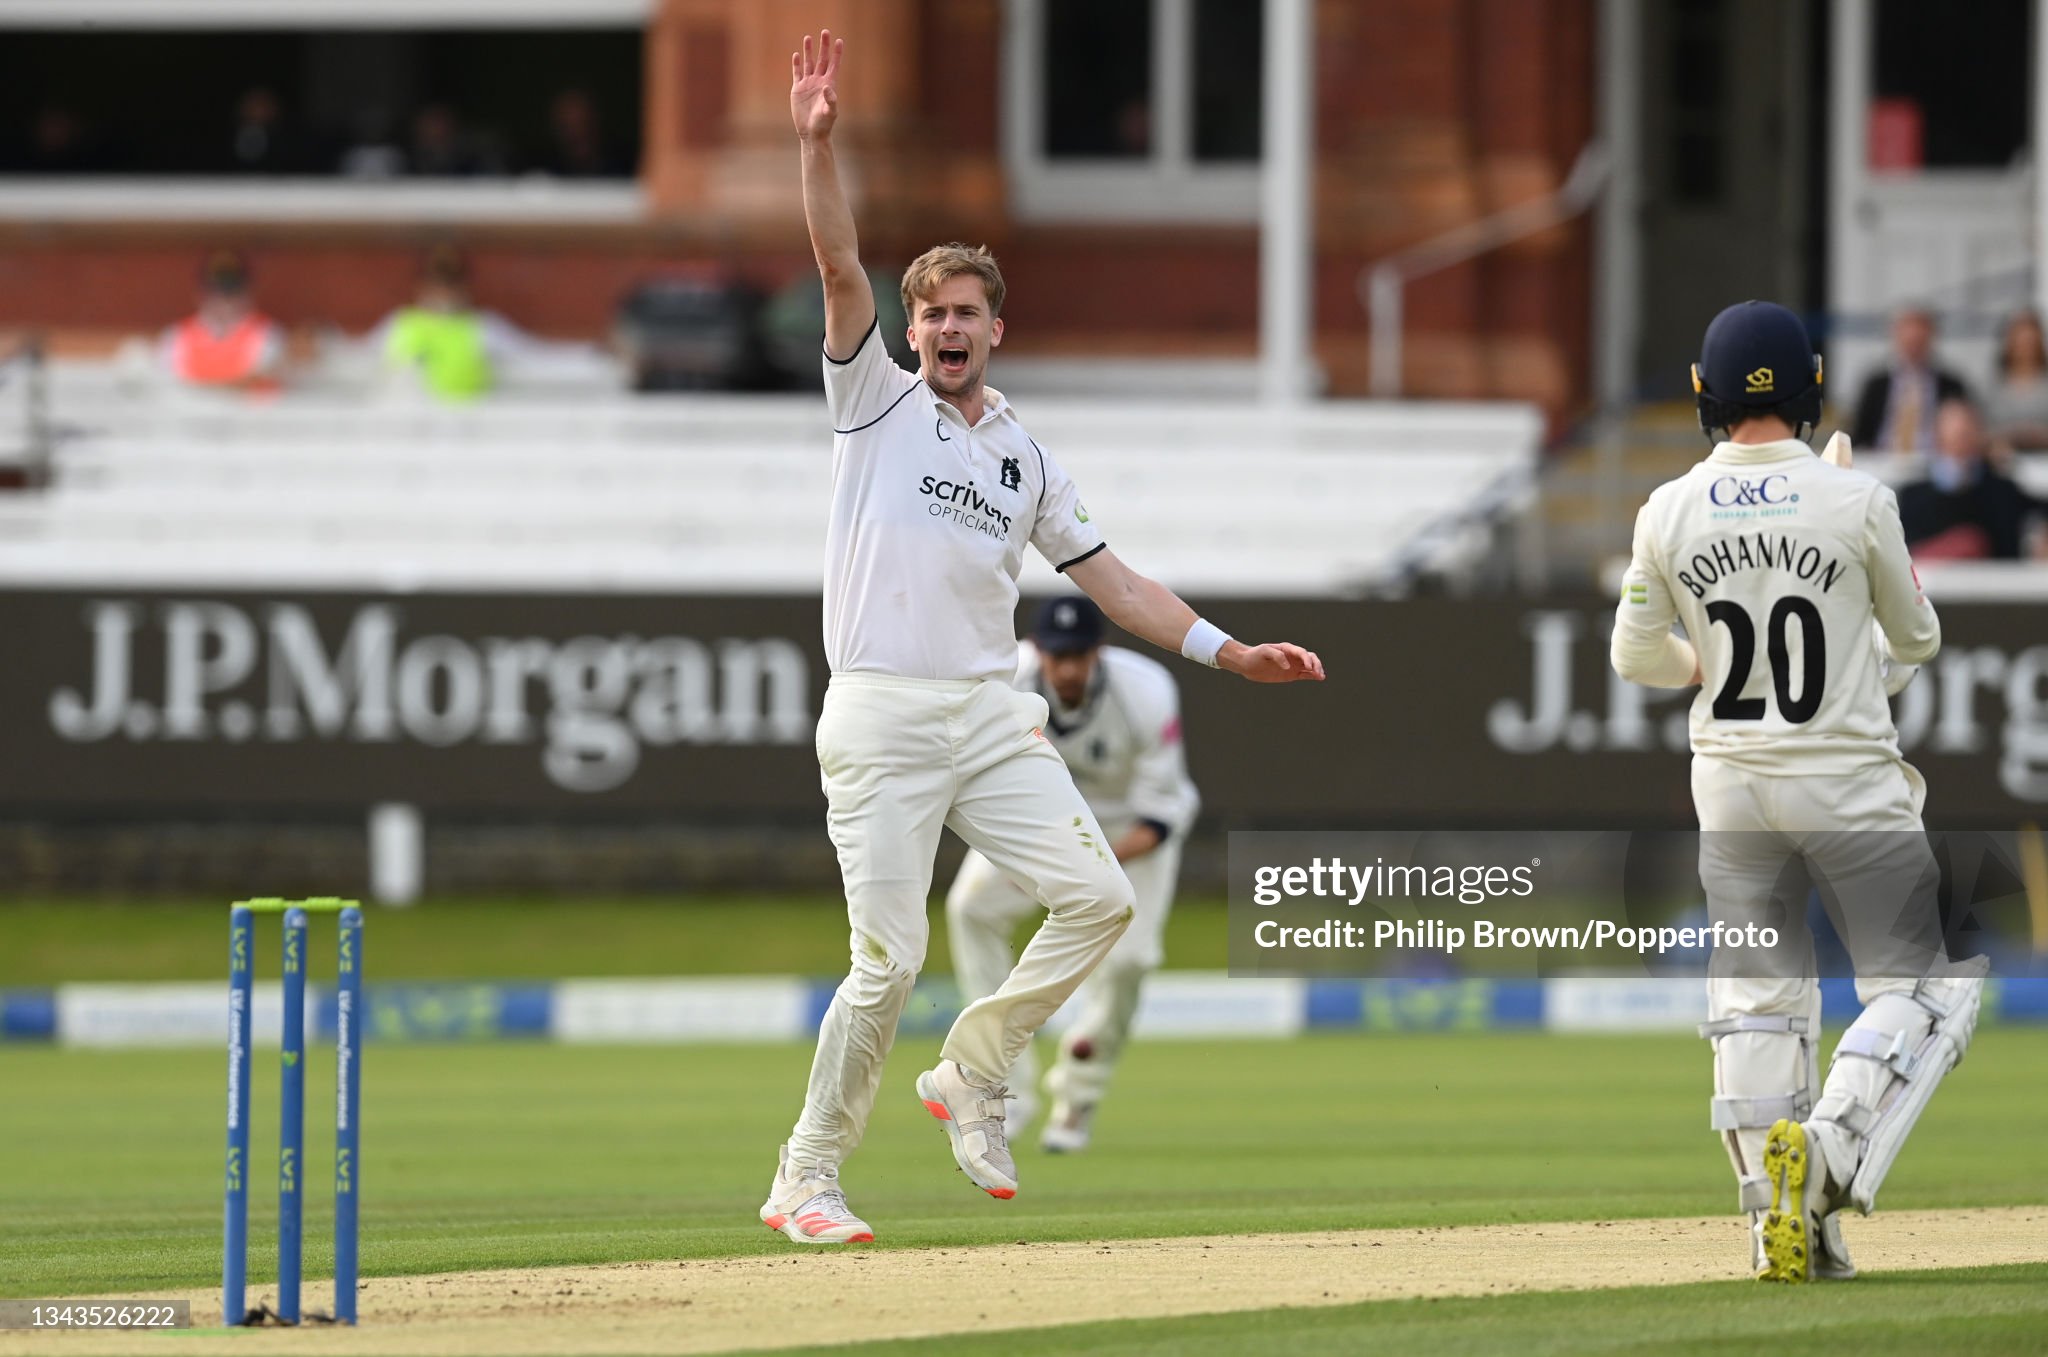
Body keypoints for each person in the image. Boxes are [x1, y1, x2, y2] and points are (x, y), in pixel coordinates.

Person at [760, 29, 1323, 1247]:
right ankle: (805, 1175)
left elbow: (1115, 585)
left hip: (985, 711)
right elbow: (835, 259)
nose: (947, 330)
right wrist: (817, 143)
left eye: (966, 313)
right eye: (931, 314)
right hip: (879, 713)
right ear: (909, 331)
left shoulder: (1021, 453)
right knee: (889, 962)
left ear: (994, 330)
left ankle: (974, 1069)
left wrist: (1230, 652)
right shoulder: (874, 402)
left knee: (1100, 898)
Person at [1612, 300, 1983, 1285]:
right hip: (1845, 778)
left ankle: (1777, 1230)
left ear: (1706, 393)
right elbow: (1915, 640)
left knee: (1756, 1006)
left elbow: (1633, 654)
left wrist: (1707, 662)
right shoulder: (1855, 501)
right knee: (1928, 991)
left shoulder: (1666, 507)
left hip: (1728, 782)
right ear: (1811, 385)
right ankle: (1823, 1156)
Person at [944, 596, 1199, 1153]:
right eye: (1057, 656)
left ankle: (1078, 1095)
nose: (1067, 670)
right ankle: (1000, 1084)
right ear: (1039, 651)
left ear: (1098, 653)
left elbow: (1160, 816)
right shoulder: (1004, 680)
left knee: (1129, 961)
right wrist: (1025, 859)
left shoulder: (1147, 692)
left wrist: (1086, 867)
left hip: (1131, 832)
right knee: (971, 910)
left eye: (1079, 655)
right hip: (1039, 826)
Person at [372, 248, 551, 402]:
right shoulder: (400, 324)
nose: (443, 292)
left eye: (450, 283)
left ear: (464, 287)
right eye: (436, 282)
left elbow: (535, 357)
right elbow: (360, 358)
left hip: (467, 426)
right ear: (421, 285)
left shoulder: (484, 326)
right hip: (407, 427)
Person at [1897, 398, 2046, 560]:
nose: (1962, 435)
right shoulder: (1913, 497)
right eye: (1955, 432)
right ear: (1936, 436)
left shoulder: (2004, 492)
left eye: (1968, 428)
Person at [158, 251, 285, 391]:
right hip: (191, 410)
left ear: (248, 292)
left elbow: (260, 378)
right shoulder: (177, 336)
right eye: (215, 290)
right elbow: (169, 387)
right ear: (200, 294)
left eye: (233, 290)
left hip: (247, 411)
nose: (225, 300)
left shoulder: (268, 333)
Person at [1849, 306, 1969, 452]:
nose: (1914, 349)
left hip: (1933, 462)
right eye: (1909, 342)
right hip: (1881, 458)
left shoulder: (1951, 385)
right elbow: (1859, 431)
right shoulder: (1876, 384)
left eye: (1919, 342)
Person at [1982, 310, 2048, 450]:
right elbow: (1982, 427)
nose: (2025, 348)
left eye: (2030, 342)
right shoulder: (1993, 385)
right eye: (2020, 342)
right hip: (2003, 460)